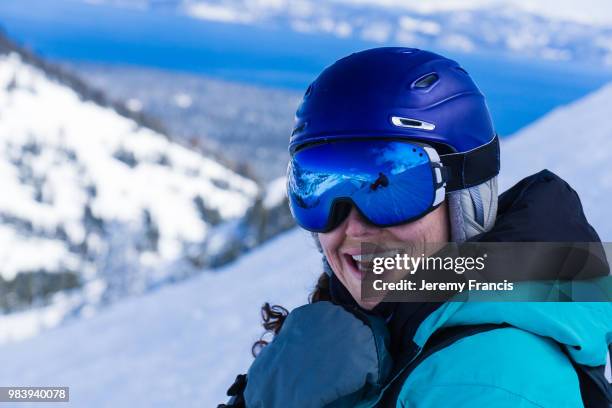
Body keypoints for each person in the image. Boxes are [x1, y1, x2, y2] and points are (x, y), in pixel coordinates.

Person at [220, 47, 612, 407]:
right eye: (321, 191)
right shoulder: (377, 335)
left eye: (396, 189)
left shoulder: (488, 382)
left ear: (465, 199)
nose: (353, 228)